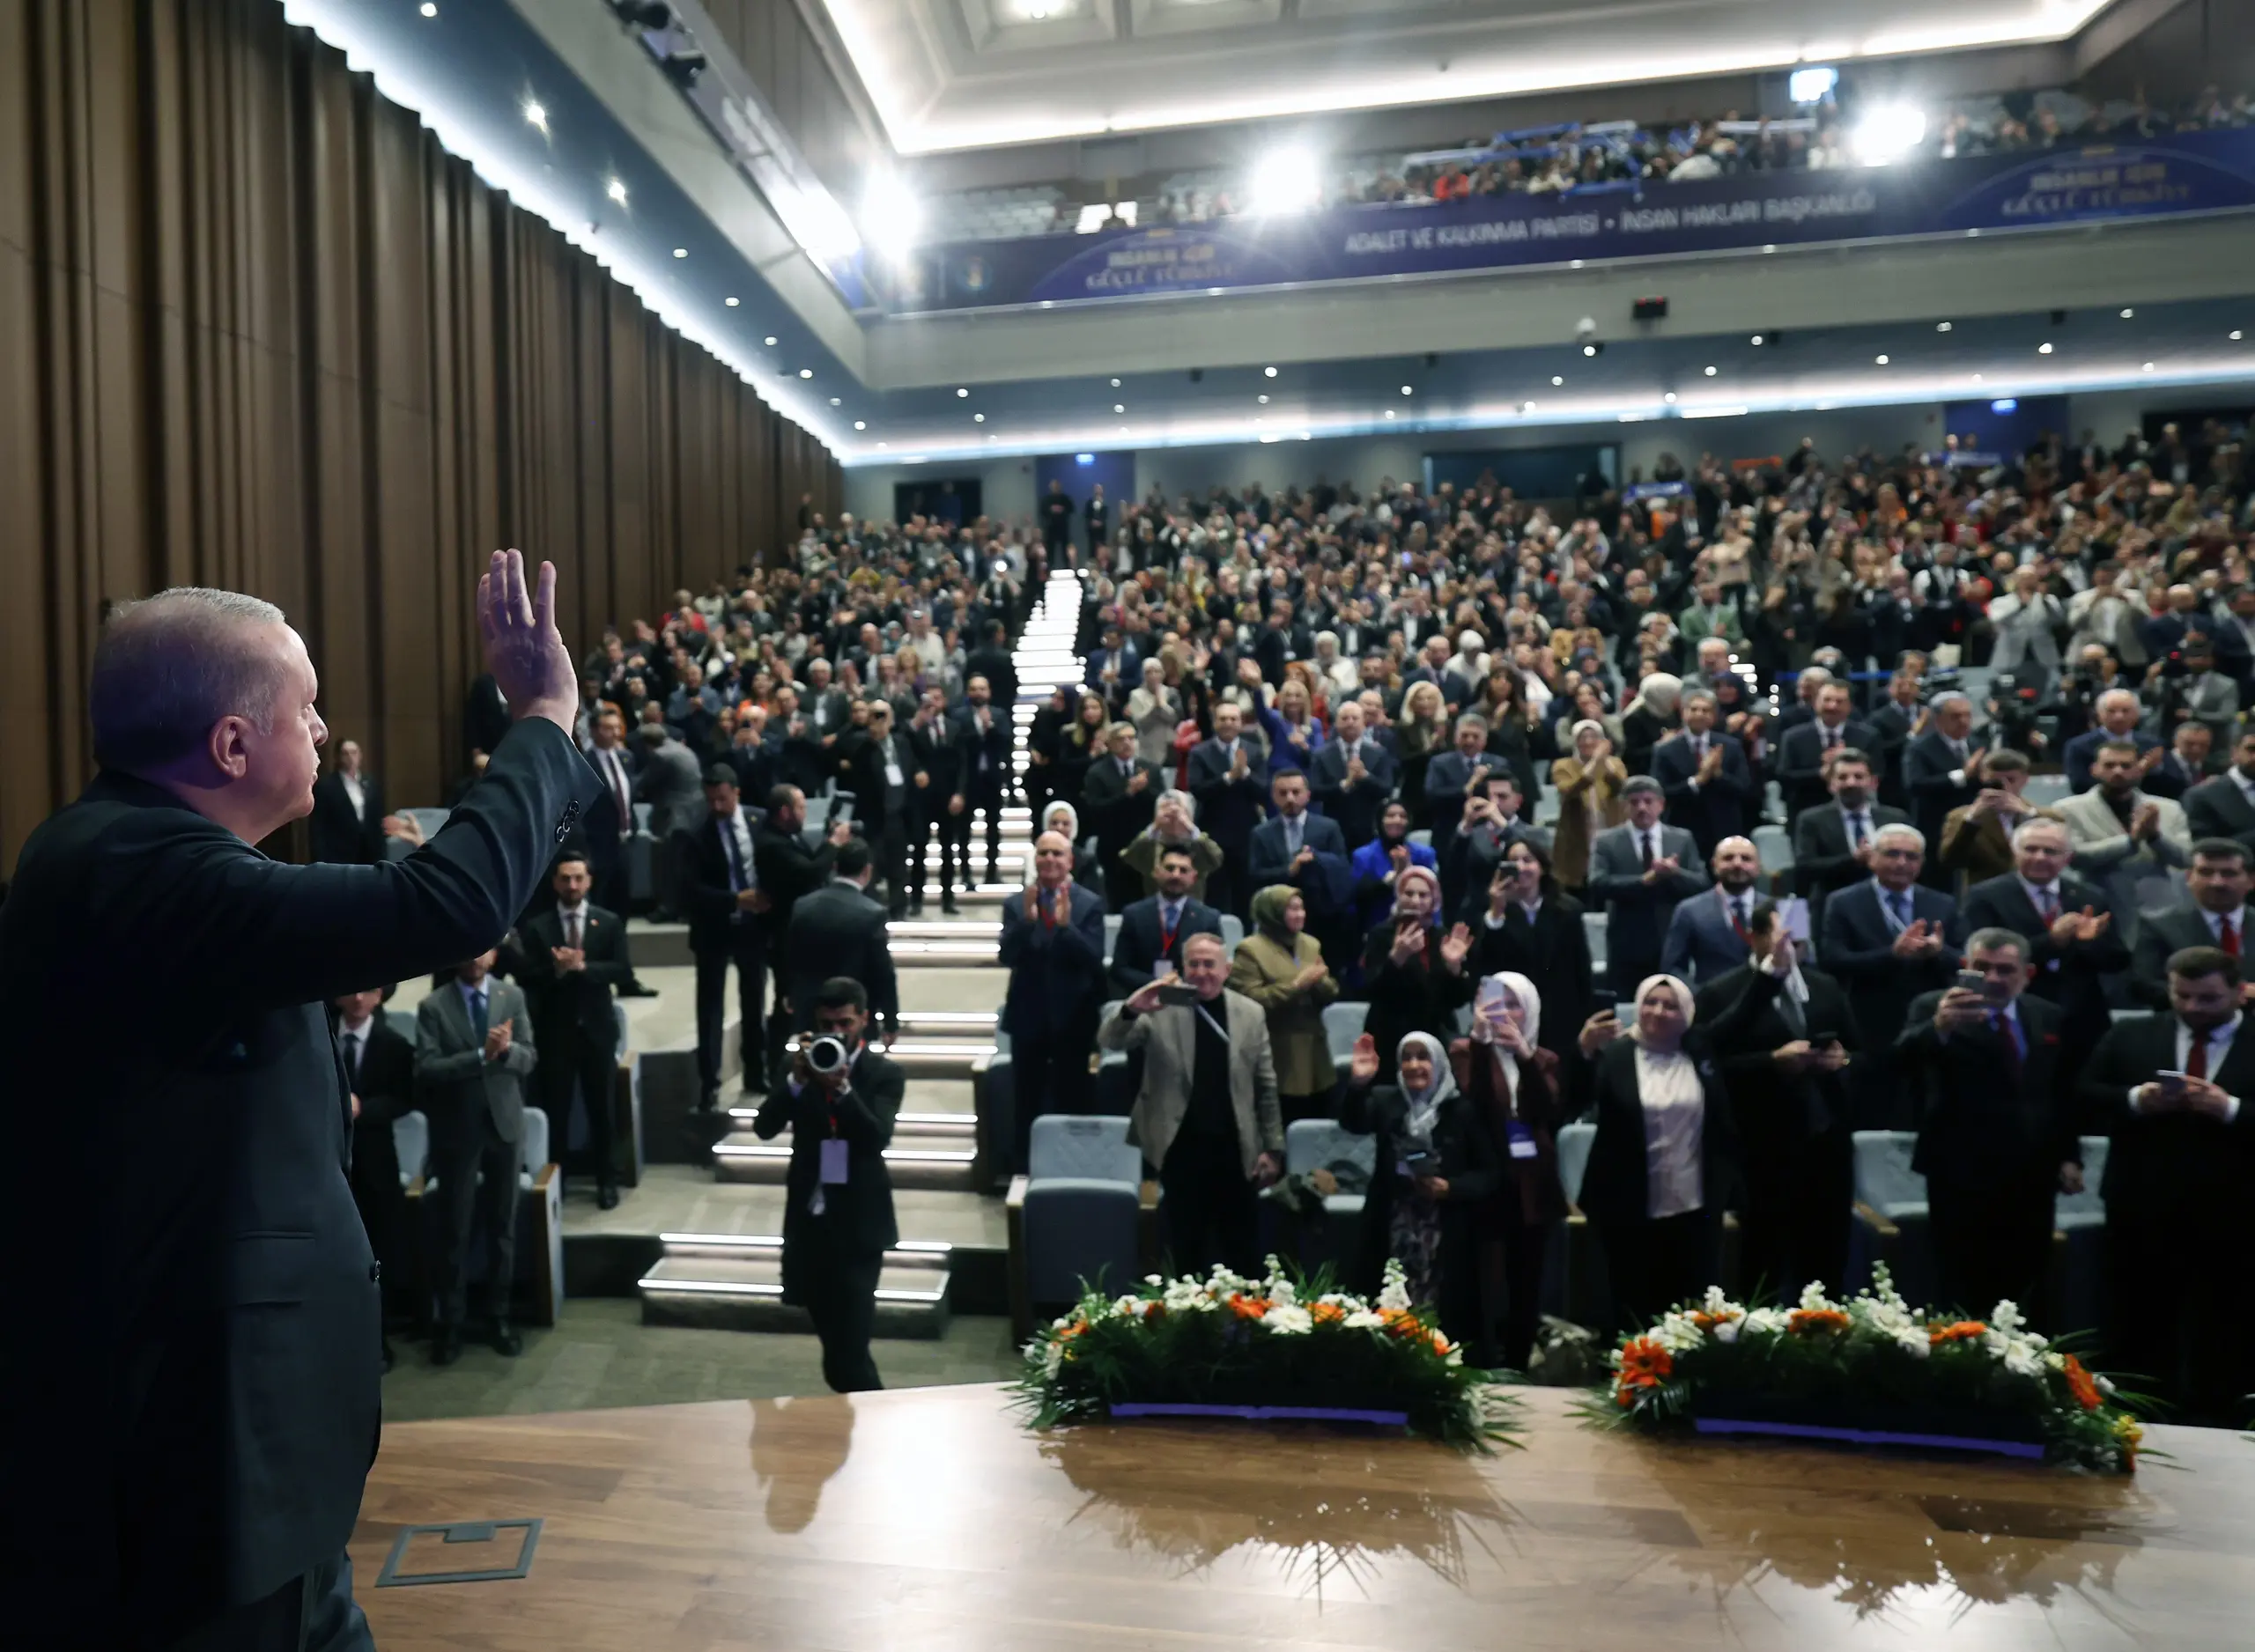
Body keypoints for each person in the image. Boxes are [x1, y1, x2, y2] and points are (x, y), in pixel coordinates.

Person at [0, 555, 592, 1648]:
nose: (322, 733)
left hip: (254, 1450)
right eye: (306, 710)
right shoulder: (136, 866)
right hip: (195, 1462)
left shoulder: (150, 862)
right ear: (231, 744)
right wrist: (544, 717)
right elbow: (444, 903)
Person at [2080, 946, 2255, 1427]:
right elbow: (2084, 1094)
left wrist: (2232, 1110)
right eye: (2184, 996)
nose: (2195, 1008)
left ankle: (2218, 1432)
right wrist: (2136, 1100)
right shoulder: (2134, 1032)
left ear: (2239, 993)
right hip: (2142, 1210)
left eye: (2209, 999)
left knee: (2223, 1333)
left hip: (2235, 1217)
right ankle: (2128, 1425)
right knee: (2134, 1326)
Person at [1896, 927, 2079, 1324]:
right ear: (1964, 967)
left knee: (2026, 1279)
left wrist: (2069, 1156)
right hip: (1959, 1169)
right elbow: (1898, 1063)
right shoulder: (1933, 1007)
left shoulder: (2047, 1015)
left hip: (2033, 1171)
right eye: (1983, 968)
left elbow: (2062, 1093)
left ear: (2026, 974)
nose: (1994, 978)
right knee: (1959, 1282)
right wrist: (1941, 1028)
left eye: (2005, 970)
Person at [1573, 969, 1763, 1332]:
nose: (1658, 1012)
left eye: (1670, 1006)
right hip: (1627, 1206)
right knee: (1630, 1307)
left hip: (1694, 1204)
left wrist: (1772, 971)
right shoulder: (1616, 1054)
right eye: (1650, 1002)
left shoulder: (1699, 1050)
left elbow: (1741, 1015)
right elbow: (1574, 1098)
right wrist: (1583, 1051)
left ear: (1688, 1014)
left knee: (1689, 1308)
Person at [1693, 907, 1859, 1299]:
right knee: (1762, 1265)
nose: (1794, 946)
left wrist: (1842, 1060)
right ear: (1756, 937)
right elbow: (1710, 1064)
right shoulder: (1722, 991)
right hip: (1762, 1147)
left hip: (1826, 1144)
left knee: (1825, 1262)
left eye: (1800, 939)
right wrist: (1771, 1062)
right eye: (1785, 937)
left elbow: (1860, 1053)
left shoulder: (1825, 987)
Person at [753, 977, 904, 1394]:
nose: (836, 1034)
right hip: (811, 1225)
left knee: (851, 1349)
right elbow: (764, 1127)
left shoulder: (884, 1074)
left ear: (864, 1021)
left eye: (845, 1024)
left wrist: (842, 1089)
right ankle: (854, 1436)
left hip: (859, 1227)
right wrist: (798, 1084)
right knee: (833, 1351)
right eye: (827, 1025)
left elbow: (876, 1138)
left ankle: (874, 1429)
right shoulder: (798, 1068)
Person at [1104, 934, 1283, 1277]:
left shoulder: (1251, 1013)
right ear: (1183, 968)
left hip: (1236, 1148)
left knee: (1242, 1251)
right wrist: (1131, 1008)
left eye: (1209, 964)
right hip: (1180, 1147)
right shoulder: (1161, 1008)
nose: (1201, 972)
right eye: (1194, 964)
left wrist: (1273, 1148)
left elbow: (1266, 1086)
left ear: (1227, 969)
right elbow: (1111, 1041)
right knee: (1185, 1251)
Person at [1339, 1029, 1500, 1361]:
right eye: (1407, 1058)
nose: (1414, 1065)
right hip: (1395, 1222)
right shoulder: (1388, 1102)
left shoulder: (1462, 1111)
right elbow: (1353, 1121)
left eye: (1422, 1057)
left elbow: (1489, 1175)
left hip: (1443, 1229)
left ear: (1439, 1063)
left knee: (1443, 1311)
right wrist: (1357, 1084)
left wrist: (1451, 1188)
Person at [416, 947, 538, 1364]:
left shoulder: (512, 997)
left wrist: (505, 1052)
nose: (473, 957)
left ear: (494, 955)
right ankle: (450, 1323)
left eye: (481, 950)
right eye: (465, 951)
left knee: (502, 1226)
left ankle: (498, 1317)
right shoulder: (433, 1005)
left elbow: (529, 1057)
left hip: (505, 1127)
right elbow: (427, 1067)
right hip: (458, 1131)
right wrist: (477, 1058)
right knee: (456, 1228)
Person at [1819, 822, 1965, 1126]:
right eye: (1892, 854)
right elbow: (1832, 960)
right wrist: (1892, 955)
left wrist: (1939, 952)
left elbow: (1965, 961)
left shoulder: (1944, 903)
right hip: (1869, 1017)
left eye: (1911, 857)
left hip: (1929, 1019)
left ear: (1922, 864)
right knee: (1875, 1105)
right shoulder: (1843, 901)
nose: (1902, 863)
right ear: (1872, 858)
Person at [1456, 972, 1567, 1371]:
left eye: (1513, 1003)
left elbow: (1549, 1111)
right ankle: (1483, 1361)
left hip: (1534, 1182)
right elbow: (1478, 1104)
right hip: (1489, 1180)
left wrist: (1524, 1054)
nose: (1504, 1011)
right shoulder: (1465, 1052)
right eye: (1494, 1002)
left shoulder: (1545, 1059)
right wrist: (1483, 1044)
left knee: (1528, 1277)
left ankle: (1520, 1360)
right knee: (1486, 1278)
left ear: (1530, 1009)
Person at [1962, 817, 2127, 1073]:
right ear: (2014, 852)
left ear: (2068, 858)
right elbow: (1980, 958)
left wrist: (2088, 943)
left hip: (2082, 1018)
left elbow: (2119, 960)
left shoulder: (2089, 896)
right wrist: (2052, 941)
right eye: (2031, 849)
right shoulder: (1985, 896)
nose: (2040, 857)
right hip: (2018, 1014)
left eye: (2050, 851)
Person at [515, 850, 632, 1205]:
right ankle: (558, 1181)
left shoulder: (608, 922)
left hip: (596, 1030)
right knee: (557, 1109)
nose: (572, 885)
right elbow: (528, 978)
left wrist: (584, 969)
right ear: (554, 883)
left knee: (602, 1109)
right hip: (556, 1033)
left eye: (578, 878)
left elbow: (623, 972)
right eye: (565, 878)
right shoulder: (538, 927)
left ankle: (606, 1181)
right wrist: (558, 971)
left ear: (589, 881)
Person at [998, 831, 1110, 1174]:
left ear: (1070, 861)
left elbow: (1093, 960)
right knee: (1026, 1096)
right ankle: (1024, 1165)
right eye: (1043, 853)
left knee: (1072, 1093)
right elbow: (1007, 956)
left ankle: (1071, 1165)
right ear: (1035, 860)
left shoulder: (1089, 903)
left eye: (1057, 854)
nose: (1050, 859)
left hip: (1073, 1018)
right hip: (1028, 1015)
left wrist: (1066, 928)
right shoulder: (1017, 903)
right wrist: (1027, 923)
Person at [330, 985, 414, 1372]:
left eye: (368, 991)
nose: (359, 998)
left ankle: (379, 1341)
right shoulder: (324, 1038)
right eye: (351, 990)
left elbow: (405, 1097)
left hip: (377, 1163)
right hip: (333, 1163)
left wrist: (364, 1107)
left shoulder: (393, 1043)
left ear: (381, 995)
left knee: (380, 1252)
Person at [753, 785, 857, 1080]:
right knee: (787, 1004)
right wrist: (834, 844)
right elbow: (810, 873)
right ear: (785, 811)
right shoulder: (773, 844)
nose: (805, 812)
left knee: (796, 1003)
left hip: (799, 935)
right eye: (801, 807)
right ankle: (774, 1070)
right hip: (785, 938)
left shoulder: (788, 837)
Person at [1468, 839, 1596, 1069]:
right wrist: (1496, 912)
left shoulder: (1568, 910)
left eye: (1527, 860)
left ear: (1542, 868)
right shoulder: (1491, 910)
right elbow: (1484, 968)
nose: (1520, 867)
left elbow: (1581, 970)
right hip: (1511, 1016)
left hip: (1559, 1014)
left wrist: (1584, 1019)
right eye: (1513, 861)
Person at [2055, 738, 2192, 941]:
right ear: (2094, 769)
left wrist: (2155, 837)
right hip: (2100, 911)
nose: (2118, 771)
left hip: (2159, 910)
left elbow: (2186, 858)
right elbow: (2076, 857)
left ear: (2139, 769)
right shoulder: (2067, 810)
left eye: (2126, 765)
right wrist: (2131, 841)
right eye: (2109, 765)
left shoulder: (2168, 809)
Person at [1228, 886, 1342, 1124]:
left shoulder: (1310, 944)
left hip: (1315, 1054)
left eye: (1301, 908)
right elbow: (1250, 1001)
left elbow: (1330, 991)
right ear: (1273, 912)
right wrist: (1297, 985)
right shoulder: (1250, 950)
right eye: (1292, 909)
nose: (1300, 915)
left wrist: (1321, 983)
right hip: (1278, 1054)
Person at [1587, 777, 1709, 999]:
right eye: (1634, 802)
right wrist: (1643, 881)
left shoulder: (1681, 839)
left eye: (1648, 801)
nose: (1642, 808)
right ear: (1624, 806)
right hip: (1626, 941)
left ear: (1661, 805)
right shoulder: (1607, 841)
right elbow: (1597, 883)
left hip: (1672, 938)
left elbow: (1701, 884)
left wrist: (1674, 873)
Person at [1355, 864, 1475, 1084]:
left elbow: (1458, 1000)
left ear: (1433, 900)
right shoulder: (1381, 934)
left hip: (1434, 1032)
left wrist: (1454, 968)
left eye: (1423, 894)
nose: (1416, 900)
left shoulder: (1443, 937)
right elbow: (1369, 989)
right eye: (1409, 893)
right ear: (1399, 896)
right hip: (1390, 1034)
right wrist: (1396, 958)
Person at [783, 837, 900, 1043]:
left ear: (835, 867)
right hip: (852, 1015)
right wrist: (890, 1021)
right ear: (868, 870)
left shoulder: (802, 906)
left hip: (813, 1013)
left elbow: (789, 957)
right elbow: (883, 972)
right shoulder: (873, 914)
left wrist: (788, 994)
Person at [2131, 838, 2255, 1008]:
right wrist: (2215, 997)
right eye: (2206, 872)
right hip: (2189, 1026)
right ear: (2189, 878)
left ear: (2251, 880)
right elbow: (2144, 987)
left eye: (2228, 873)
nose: (2216, 882)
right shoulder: (2160, 928)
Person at [1792, 748, 1908, 924]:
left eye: (1858, 777)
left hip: (1889, 905)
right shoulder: (1812, 819)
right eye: (1843, 777)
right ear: (1831, 784)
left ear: (1873, 782)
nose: (1851, 783)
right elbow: (1805, 867)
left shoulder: (1895, 818)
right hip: (1832, 905)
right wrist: (1854, 860)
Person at [1248, 768, 1354, 962]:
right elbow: (1255, 875)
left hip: (1321, 914)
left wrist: (1316, 857)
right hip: (1278, 914)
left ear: (1308, 794)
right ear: (1273, 796)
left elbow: (1342, 867)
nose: (1290, 798)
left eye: (1296, 792)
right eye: (1283, 793)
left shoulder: (1328, 827)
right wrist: (1289, 869)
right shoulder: (1261, 833)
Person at [1187, 700, 1271, 916]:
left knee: (1245, 894)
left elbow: (1264, 791)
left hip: (1246, 833)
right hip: (1212, 832)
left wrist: (1245, 775)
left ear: (1240, 723)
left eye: (1233, 719)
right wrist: (1228, 777)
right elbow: (1197, 789)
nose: (1228, 723)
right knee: (1215, 894)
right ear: (1215, 722)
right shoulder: (1200, 752)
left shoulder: (1253, 751)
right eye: (1223, 719)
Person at [1108, 844, 1224, 999]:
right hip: (1142, 997)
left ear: (1193, 877)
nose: (1176, 875)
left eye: (1183, 870)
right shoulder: (1134, 914)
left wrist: (1180, 986)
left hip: (1191, 1001)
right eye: (1170, 868)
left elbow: (1215, 968)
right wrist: (1158, 985)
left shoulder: (1208, 918)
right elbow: (1120, 968)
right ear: (1156, 872)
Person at [1652, 690, 1754, 860]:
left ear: (1713, 716)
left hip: (1723, 828)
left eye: (1705, 710)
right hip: (1682, 827)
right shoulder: (1666, 750)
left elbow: (1745, 788)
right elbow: (1660, 792)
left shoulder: (1731, 746)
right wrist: (1696, 782)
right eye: (1693, 709)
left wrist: (1719, 774)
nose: (1699, 714)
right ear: (1683, 713)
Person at [1937, 749, 2053, 893]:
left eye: (2011, 780)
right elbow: (1951, 861)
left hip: (2034, 893)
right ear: (1983, 778)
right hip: (1984, 896)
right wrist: (1971, 822)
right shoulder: (1960, 817)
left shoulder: (2046, 815)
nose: (2004, 787)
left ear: (2025, 780)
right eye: (1995, 782)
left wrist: (2027, 814)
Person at [1660, 835, 1763, 987]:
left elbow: (1807, 964)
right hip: (1711, 1004)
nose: (1737, 864)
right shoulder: (1686, 910)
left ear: (1758, 867)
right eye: (1728, 858)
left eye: (1746, 859)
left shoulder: (1788, 908)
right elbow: (1672, 968)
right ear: (1714, 865)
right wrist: (1700, 998)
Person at [1903, 691, 1987, 874]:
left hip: (1974, 830)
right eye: (1956, 716)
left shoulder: (1977, 744)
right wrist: (1962, 776)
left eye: (1967, 715)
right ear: (1938, 719)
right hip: (1936, 829)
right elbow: (1915, 785)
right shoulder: (1920, 748)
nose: (1964, 721)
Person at [1083, 721, 1163, 912]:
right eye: (1121, 739)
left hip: (1146, 849)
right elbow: (1095, 810)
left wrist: (1143, 791)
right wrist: (1126, 794)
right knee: (1118, 903)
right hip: (1113, 850)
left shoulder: (1151, 769)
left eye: (1131, 738)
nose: (1127, 743)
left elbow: (1160, 804)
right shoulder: (1097, 773)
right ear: (1109, 744)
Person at [949, 675, 1014, 891]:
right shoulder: (958, 716)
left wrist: (990, 726)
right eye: (974, 688)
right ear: (968, 692)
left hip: (992, 779)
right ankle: (966, 875)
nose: (978, 693)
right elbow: (956, 744)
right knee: (964, 831)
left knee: (994, 830)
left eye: (982, 689)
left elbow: (1005, 742)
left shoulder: (999, 714)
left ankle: (991, 873)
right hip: (967, 780)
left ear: (989, 692)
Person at [1548, 718, 1628, 891]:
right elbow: (1571, 791)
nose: (1588, 741)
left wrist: (1604, 762)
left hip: (1608, 824)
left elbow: (1620, 787)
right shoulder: (1562, 765)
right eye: (1583, 737)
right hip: (1577, 832)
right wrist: (1594, 763)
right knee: (1578, 883)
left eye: (1594, 736)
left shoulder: (1615, 764)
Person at [1776, 682, 1878, 816]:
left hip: (1856, 813)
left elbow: (1876, 774)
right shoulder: (1793, 737)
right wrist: (1821, 773)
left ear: (1850, 706)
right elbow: (1784, 776)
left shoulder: (1867, 736)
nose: (1832, 706)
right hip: (1804, 811)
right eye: (1827, 700)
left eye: (1839, 701)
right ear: (1815, 703)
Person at [905, 687, 964, 913]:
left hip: (947, 797)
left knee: (948, 850)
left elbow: (962, 764)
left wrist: (959, 792)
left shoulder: (954, 727)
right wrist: (919, 719)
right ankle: (916, 900)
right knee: (919, 848)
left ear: (945, 701)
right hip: (921, 798)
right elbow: (906, 748)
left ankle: (948, 899)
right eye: (929, 699)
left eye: (938, 698)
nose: (934, 703)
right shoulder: (915, 727)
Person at [1308, 697, 1395, 850]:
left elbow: (1387, 788)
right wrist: (1342, 786)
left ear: (1363, 723)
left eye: (1355, 718)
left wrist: (1365, 776)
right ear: (1336, 723)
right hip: (1334, 826)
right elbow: (1314, 791)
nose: (1350, 722)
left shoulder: (1378, 753)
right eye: (1344, 718)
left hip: (1369, 827)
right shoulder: (1321, 754)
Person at [1347, 799, 1438, 933]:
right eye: (1390, 816)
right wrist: (1388, 882)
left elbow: (1434, 897)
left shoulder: (1424, 854)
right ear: (1380, 821)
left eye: (1403, 816)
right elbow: (1358, 897)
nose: (1397, 820)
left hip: (1420, 926)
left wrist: (1409, 872)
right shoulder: (1363, 856)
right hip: (1377, 926)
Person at [1120, 787, 1225, 903]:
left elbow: (1216, 859)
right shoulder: (1150, 843)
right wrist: (1155, 827)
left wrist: (1190, 828)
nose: (1174, 817)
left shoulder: (1197, 842)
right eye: (1165, 811)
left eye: (1181, 811)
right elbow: (1129, 857)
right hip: (1154, 907)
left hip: (1193, 908)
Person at [2061, 687, 2163, 794]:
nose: (2119, 717)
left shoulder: (2152, 745)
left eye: (2125, 711)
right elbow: (2079, 785)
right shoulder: (2079, 746)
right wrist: (2139, 770)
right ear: (2099, 714)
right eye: (2111, 711)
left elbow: (2175, 784)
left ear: (2137, 714)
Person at [308, 739, 389, 864]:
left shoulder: (370, 782)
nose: (351, 757)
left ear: (360, 755)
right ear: (338, 757)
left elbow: (378, 820)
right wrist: (320, 859)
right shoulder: (326, 786)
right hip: (339, 853)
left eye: (354, 752)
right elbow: (318, 826)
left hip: (370, 852)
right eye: (345, 753)